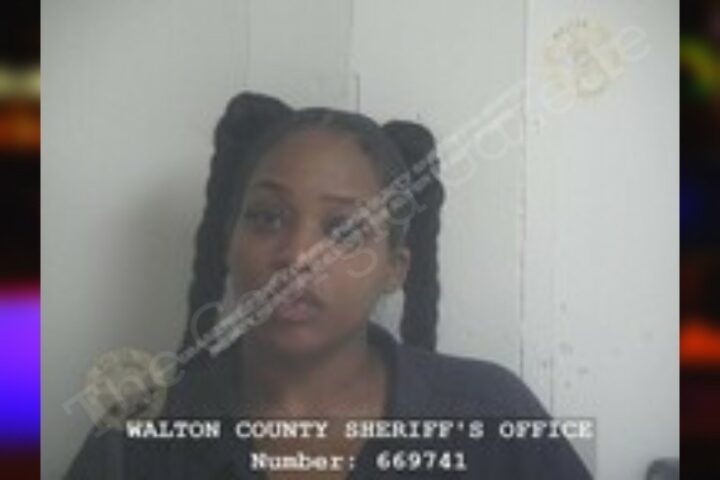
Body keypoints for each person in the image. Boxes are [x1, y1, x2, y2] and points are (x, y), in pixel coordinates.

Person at [66, 93, 593, 479]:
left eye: (343, 231)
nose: (297, 255)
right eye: (267, 218)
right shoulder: (134, 443)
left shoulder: (491, 417)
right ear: (228, 242)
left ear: (394, 268)